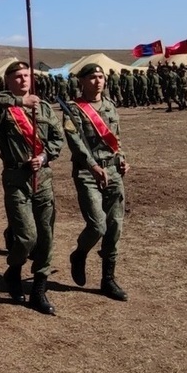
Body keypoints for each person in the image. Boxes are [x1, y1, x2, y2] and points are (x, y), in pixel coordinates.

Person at [0, 61, 66, 315]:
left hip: (43, 178)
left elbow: (57, 138)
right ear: (8, 81)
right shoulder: (3, 108)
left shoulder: (43, 107)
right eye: (17, 77)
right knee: (26, 236)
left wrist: (45, 157)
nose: (23, 80)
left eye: (27, 76)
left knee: (46, 235)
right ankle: (14, 270)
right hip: (16, 179)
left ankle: (39, 288)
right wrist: (20, 103)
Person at [63, 64, 130, 301]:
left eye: (101, 77)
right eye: (92, 77)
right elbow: (76, 144)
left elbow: (117, 139)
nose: (98, 81)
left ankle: (108, 280)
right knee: (97, 225)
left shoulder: (110, 106)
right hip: (87, 172)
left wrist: (122, 159)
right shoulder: (73, 109)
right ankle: (79, 254)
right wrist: (93, 167)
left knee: (115, 227)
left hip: (112, 171)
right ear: (82, 81)